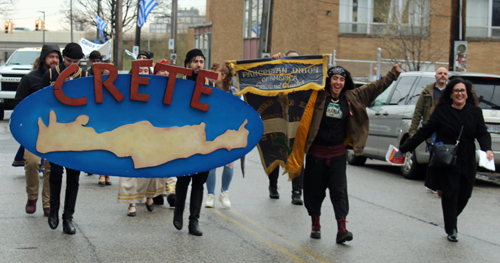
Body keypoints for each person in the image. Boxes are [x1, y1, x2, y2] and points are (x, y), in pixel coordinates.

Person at [302, 64, 401, 243]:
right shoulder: (316, 96)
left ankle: (342, 228)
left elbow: (376, 87)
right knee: (313, 191)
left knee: (339, 191)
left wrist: (393, 74)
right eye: (335, 79)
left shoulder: (353, 96)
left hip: (338, 153)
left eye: (341, 79)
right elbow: (294, 89)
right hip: (316, 153)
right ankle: (315, 223)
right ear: (328, 80)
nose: (338, 82)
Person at [399, 78, 492, 242]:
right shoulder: (441, 111)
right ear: (450, 94)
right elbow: (425, 131)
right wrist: (404, 148)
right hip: (447, 157)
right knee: (450, 193)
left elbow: (482, 133)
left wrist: (487, 149)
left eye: (462, 91)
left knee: (465, 194)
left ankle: (451, 218)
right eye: (456, 91)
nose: (460, 94)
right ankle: (451, 229)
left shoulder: (474, 112)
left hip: (467, 157)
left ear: (467, 94)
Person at [40, 42, 88, 234]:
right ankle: (53, 210)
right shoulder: (50, 75)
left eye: (76, 61)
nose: (71, 65)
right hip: (56, 131)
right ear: (62, 57)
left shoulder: (85, 76)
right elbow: (40, 103)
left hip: (76, 133)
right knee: (56, 173)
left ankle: (68, 217)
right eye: (68, 60)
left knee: (74, 177)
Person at [14, 44, 61, 217]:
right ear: (43, 59)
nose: (54, 60)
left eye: (57, 57)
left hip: (55, 130)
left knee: (51, 166)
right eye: (51, 57)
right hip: (33, 130)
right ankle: (32, 197)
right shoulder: (30, 78)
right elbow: (18, 102)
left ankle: (47, 202)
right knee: (32, 162)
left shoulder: (63, 79)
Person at [117, 66, 166, 216]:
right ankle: (131, 203)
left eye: (146, 70)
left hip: (150, 133)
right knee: (129, 168)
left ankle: (149, 195)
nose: (143, 73)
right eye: (141, 70)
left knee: (150, 166)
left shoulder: (154, 90)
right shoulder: (126, 89)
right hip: (131, 133)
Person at [173, 49, 211, 236]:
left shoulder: (209, 83)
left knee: (199, 182)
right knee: (184, 179)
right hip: (184, 138)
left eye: (201, 61)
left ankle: (194, 221)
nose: (198, 65)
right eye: (195, 61)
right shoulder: (180, 83)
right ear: (187, 64)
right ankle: (178, 212)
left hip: (203, 138)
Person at [267, 50, 305, 205]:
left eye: (297, 60)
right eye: (289, 60)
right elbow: (263, 78)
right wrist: (272, 62)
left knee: (297, 157)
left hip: (296, 122)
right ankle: (273, 186)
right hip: (279, 120)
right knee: (276, 154)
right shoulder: (277, 76)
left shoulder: (304, 78)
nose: (293, 63)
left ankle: (297, 192)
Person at [204, 62, 238, 209]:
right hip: (212, 130)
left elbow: (240, 111)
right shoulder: (208, 90)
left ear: (223, 76)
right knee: (211, 163)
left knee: (229, 163)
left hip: (229, 132)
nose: (212, 75)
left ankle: (224, 192)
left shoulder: (234, 92)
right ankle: (210, 195)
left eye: (215, 73)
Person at [409, 67, 448, 194]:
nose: (442, 75)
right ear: (435, 76)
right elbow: (418, 111)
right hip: (431, 129)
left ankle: (440, 182)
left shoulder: (452, 92)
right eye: (440, 73)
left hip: (447, 129)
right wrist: (413, 130)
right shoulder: (427, 91)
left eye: (445, 74)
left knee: (445, 155)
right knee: (435, 155)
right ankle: (435, 183)